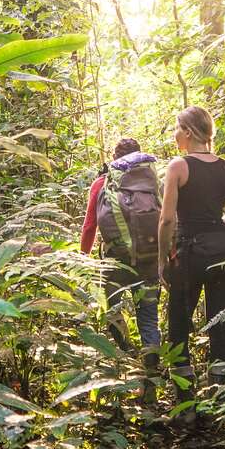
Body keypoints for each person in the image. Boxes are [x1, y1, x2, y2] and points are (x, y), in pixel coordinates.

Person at [157, 106, 225, 406]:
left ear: (188, 131)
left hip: (190, 253)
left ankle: (185, 398)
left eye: (175, 128)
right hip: (224, 250)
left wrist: (161, 259)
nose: (173, 135)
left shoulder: (178, 167)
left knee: (179, 319)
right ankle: (221, 394)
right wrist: (213, 227)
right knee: (218, 317)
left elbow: (167, 220)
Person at [80, 138, 162, 371]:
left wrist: (82, 259)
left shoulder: (102, 184)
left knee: (113, 311)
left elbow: (89, 226)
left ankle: (126, 358)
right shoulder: (153, 182)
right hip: (149, 257)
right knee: (148, 317)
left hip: (115, 260)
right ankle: (151, 370)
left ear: (114, 157)